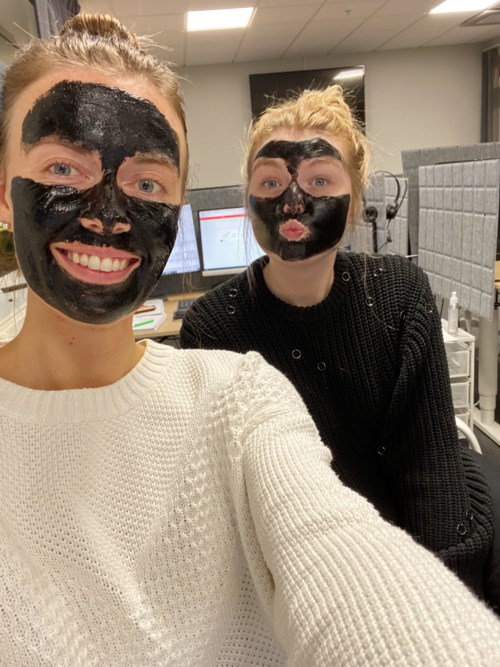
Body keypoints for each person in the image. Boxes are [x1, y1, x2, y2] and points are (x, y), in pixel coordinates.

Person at [1, 13, 500, 666]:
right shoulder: (217, 328)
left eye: (147, 183)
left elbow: (330, 531)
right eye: (63, 168)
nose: (108, 215)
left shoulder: (237, 394)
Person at [180, 86, 498, 607]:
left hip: (409, 552)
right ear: (248, 201)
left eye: (320, 181)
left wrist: (441, 606)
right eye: (271, 182)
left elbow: (430, 474)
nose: (293, 201)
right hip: (300, 574)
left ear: (355, 201)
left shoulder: (400, 295)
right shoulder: (212, 329)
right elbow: (230, 513)